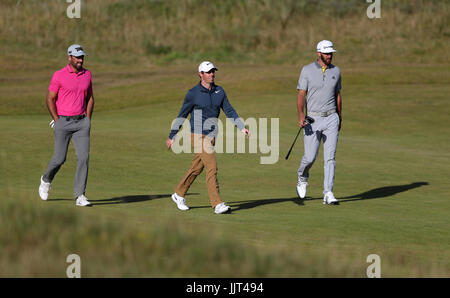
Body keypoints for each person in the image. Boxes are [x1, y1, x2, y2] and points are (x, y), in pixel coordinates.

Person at [166, 61, 250, 214]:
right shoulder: (193, 93)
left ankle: (179, 193)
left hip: (211, 135)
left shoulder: (219, 91)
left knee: (196, 168)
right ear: (200, 74)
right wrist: (172, 136)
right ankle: (217, 204)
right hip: (197, 135)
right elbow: (182, 114)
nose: (212, 74)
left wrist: (241, 126)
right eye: (208, 72)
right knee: (212, 167)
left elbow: (229, 110)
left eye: (213, 71)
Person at [38, 44, 95, 206]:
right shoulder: (59, 75)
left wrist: (88, 119)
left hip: (81, 122)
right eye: (77, 57)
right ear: (69, 57)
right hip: (63, 122)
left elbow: (90, 97)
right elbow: (50, 99)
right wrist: (57, 120)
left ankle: (80, 195)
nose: (80, 60)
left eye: (82, 57)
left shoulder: (87, 74)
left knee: (84, 158)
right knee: (59, 159)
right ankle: (46, 179)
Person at [296, 40, 342, 205]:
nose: (330, 56)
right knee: (310, 157)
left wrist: (339, 117)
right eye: (327, 53)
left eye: (331, 53)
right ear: (319, 53)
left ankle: (328, 192)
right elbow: (301, 94)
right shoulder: (307, 70)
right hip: (312, 119)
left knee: (330, 158)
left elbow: (337, 95)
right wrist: (301, 114)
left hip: (331, 118)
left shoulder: (336, 71)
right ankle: (302, 176)